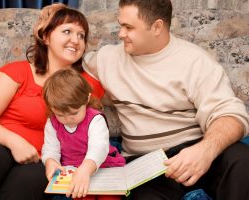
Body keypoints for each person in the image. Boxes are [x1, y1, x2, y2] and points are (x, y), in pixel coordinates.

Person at [82, 0, 249, 199]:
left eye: (129, 27)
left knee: (242, 159)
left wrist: (204, 150)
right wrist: (56, 23)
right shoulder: (106, 59)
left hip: (194, 151)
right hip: (146, 166)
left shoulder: (194, 61)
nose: (120, 34)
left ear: (157, 27)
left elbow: (231, 115)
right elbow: (63, 68)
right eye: (121, 25)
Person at [0, 3, 104, 200]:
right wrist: (15, 142)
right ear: (46, 37)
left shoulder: (88, 85)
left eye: (81, 35)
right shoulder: (18, 71)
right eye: (67, 31)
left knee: (30, 180)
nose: (76, 40)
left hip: (42, 161)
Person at [42, 68, 125, 200]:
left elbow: (99, 148)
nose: (68, 119)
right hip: (72, 169)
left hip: (101, 165)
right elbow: (50, 149)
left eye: (74, 113)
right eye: (60, 115)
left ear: (86, 99)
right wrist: (50, 162)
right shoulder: (52, 123)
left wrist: (85, 169)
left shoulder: (95, 119)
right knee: (75, 195)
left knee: (110, 196)